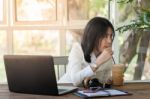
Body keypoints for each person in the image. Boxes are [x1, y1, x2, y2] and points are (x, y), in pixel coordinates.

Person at [58, 17, 115, 86]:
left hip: (88, 93)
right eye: (105, 36)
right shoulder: (78, 48)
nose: (110, 41)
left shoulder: (106, 54)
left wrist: (110, 80)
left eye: (111, 36)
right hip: (65, 89)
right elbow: (75, 80)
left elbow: (103, 81)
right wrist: (98, 62)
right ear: (93, 36)